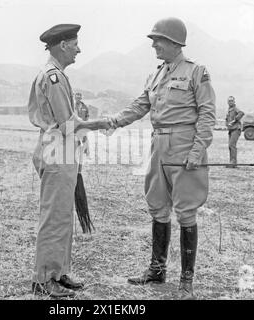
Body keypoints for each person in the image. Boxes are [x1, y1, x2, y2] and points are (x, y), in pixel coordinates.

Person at [107, 17, 216, 299]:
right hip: (158, 144)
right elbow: (140, 105)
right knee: (157, 205)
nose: (153, 44)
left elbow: (206, 114)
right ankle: (157, 270)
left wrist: (197, 150)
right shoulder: (155, 74)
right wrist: (114, 121)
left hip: (184, 144)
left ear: (173, 42)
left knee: (186, 210)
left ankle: (186, 282)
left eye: (157, 40)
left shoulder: (196, 72)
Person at [28, 24, 111, 298]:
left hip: (63, 150)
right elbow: (67, 124)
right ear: (62, 44)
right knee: (54, 217)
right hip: (57, 149)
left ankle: (59, 272)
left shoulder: (58, 75)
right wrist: (101, 123)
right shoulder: (53, 77)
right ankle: (44, 278)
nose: (79, 49)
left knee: (63, 215)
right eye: (75, 44)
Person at [225, 96, 244, 168]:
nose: (230, 102)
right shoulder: (229, 110)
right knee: (230, 146)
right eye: (229, 101)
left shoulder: (236, 108)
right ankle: (232, 162)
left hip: (236, 129)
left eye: (231, 101)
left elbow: (241, 113)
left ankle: (233, 162)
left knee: (231, 145)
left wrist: (234, 120)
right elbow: (227, 119)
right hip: (231, 130)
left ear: (234, 101)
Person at [75, 92, 90, 156]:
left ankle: (87, 151)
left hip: (83, 124)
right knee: (75, 138)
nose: (78, 99)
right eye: (77, 98)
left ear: (81, 98)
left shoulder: (85, 106)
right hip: (75, 125)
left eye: (79, 98)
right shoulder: (72, 106)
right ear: (75, 98)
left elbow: (87, 115)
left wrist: (86, 122)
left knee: (85, 138)